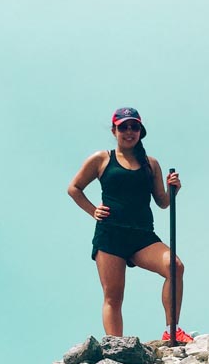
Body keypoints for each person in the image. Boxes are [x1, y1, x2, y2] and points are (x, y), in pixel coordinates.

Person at [68, 108, 193, 343]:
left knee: (175, 267)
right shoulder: (101, 159)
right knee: (113, 297)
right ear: (114, 130)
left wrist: (173, 190)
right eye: (123, 127)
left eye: (134, 127)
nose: (129, 131)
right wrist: (93, 210)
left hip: (142, 236)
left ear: (140, 131)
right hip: (111, 235)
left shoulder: (150, 164)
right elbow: (74, 188)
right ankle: (117, 348)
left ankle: (172, 329)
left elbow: (163, 202)